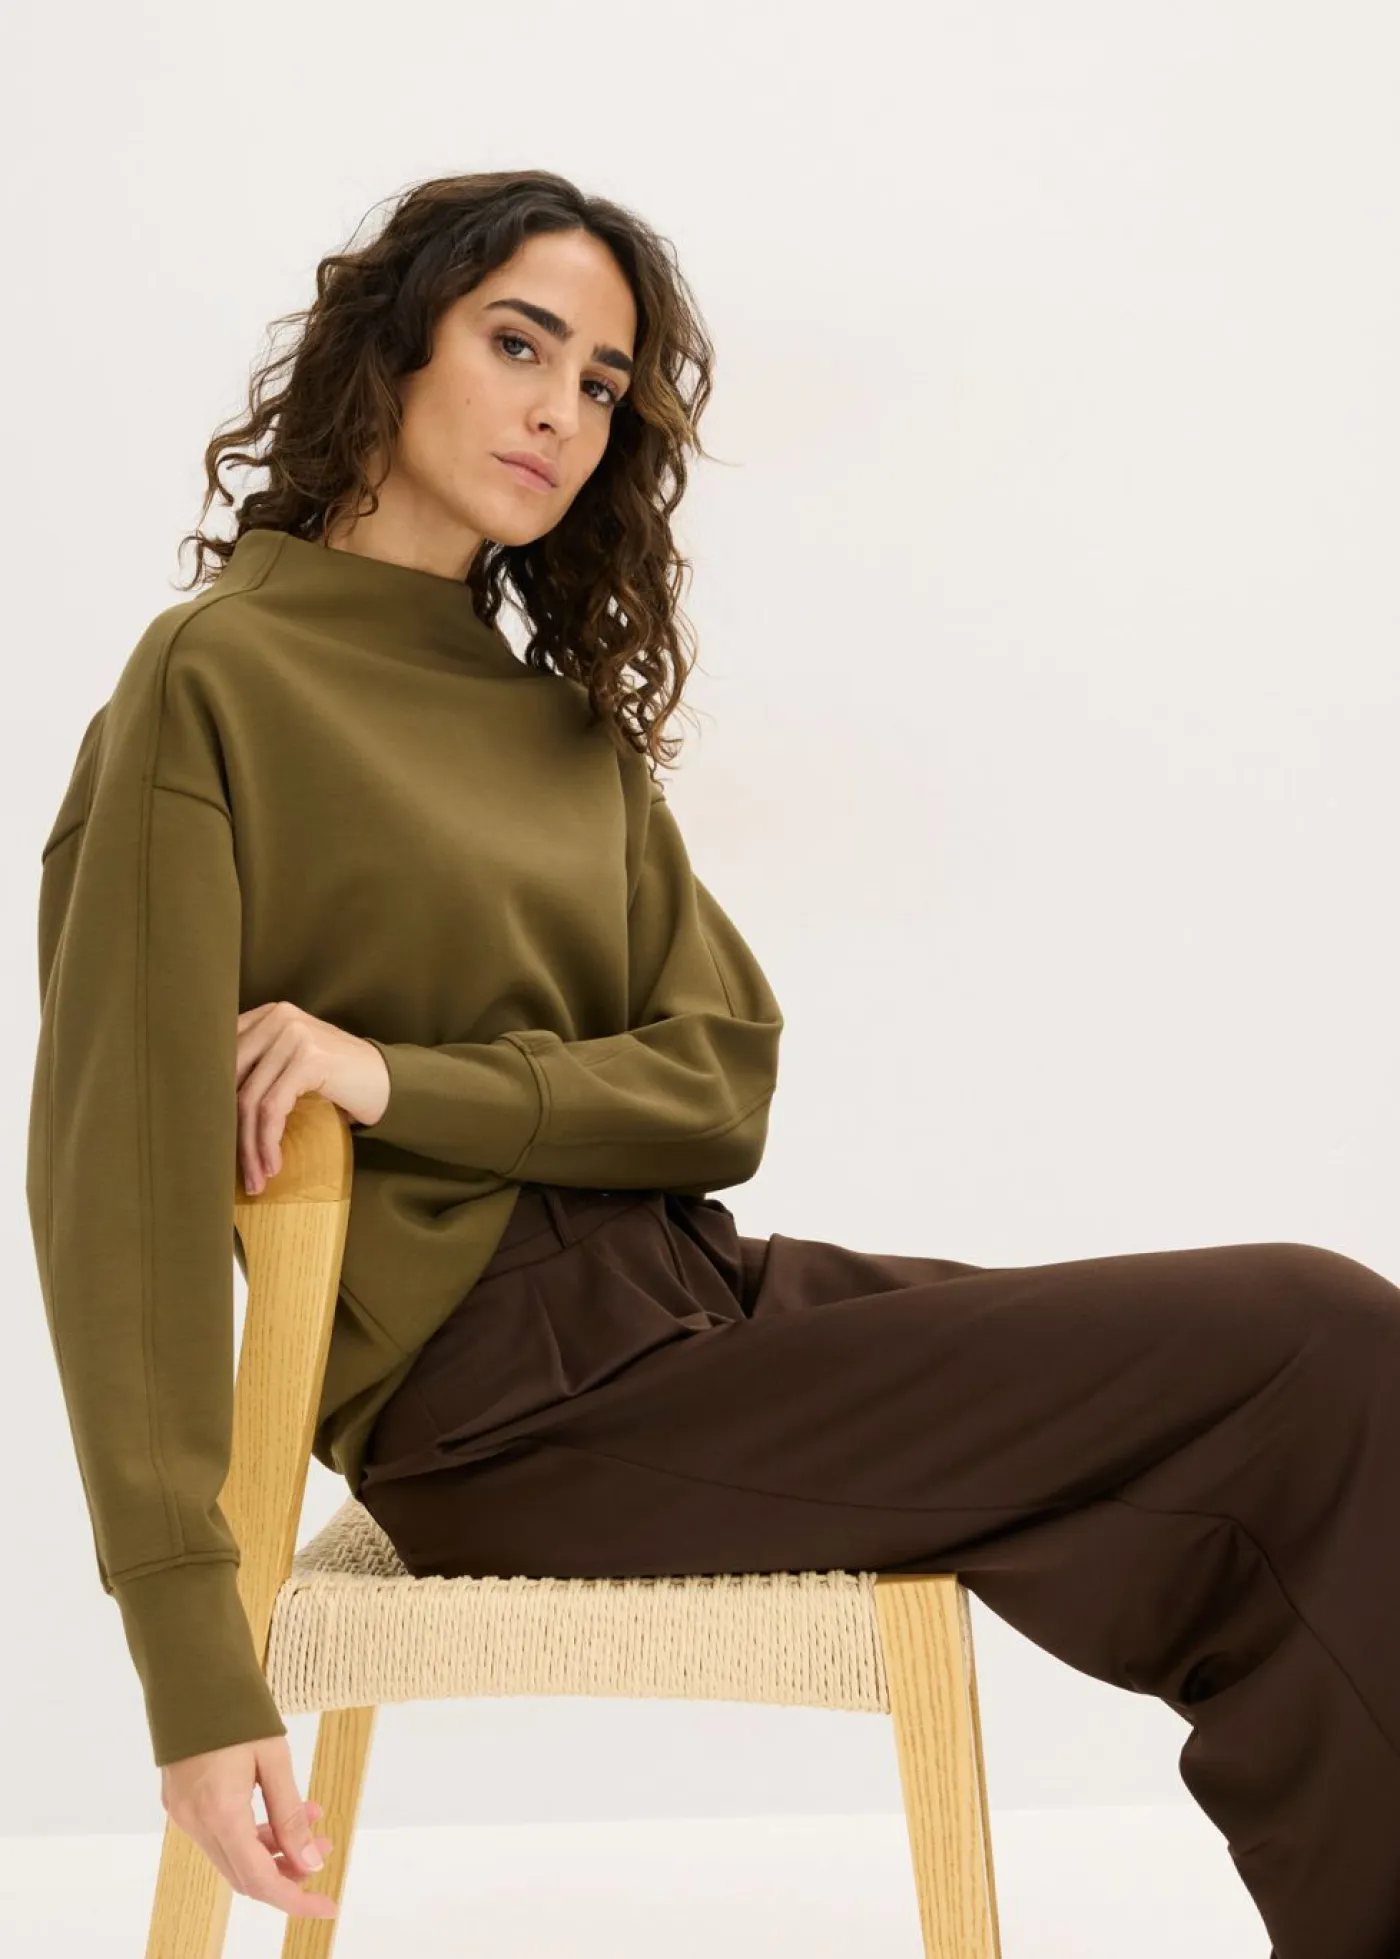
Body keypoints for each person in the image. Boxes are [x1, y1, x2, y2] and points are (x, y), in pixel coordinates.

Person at [26, 167, 1400, 1956]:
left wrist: (406, 1079)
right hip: (502, 1408)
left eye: (602, 383)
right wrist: (189, 1663)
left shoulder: (555, 732)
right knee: (1310, 1327)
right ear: (396, 345)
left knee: (1327, 1395)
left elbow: (720, 1081)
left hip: (692, 1307)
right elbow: (117, 1187)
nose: (561, 410)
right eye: (520, 344)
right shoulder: (213, 681)